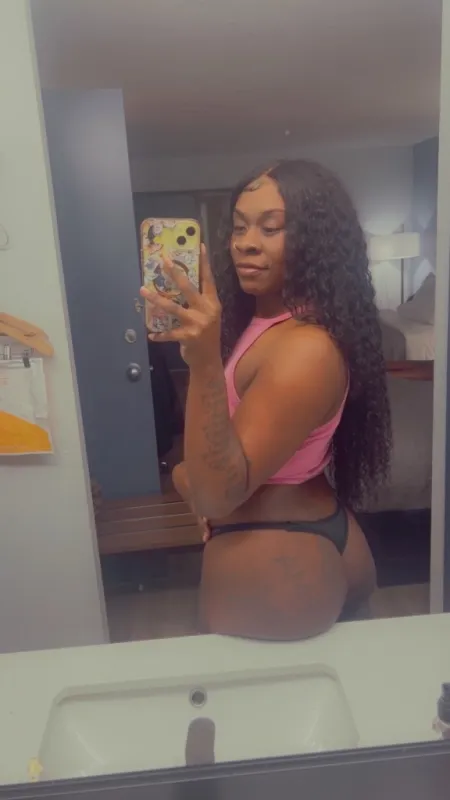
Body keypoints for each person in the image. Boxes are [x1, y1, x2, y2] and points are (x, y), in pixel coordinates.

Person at [140, 160, 392, 641]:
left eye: (271, 228)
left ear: (316, 240)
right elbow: (227, 457)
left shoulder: (306, 349)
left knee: (255, 695)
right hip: (291, 540)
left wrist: (203, 363)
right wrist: (189, 478)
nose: (246, 243)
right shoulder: (267, 324)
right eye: (239, 227)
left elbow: (217, 493)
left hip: (279, 555)